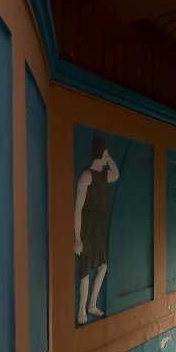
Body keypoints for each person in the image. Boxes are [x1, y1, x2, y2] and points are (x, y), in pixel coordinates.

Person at [74, 136, 119, 324]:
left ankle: (92, 304)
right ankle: (81, 310)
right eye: (105, 153)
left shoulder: (104, 175)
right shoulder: (87, 176)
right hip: (87, 225)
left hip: (99, 225)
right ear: (100, 153)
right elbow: (78, 209)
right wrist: (77, 238)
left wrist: (109, 158)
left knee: (103, 266)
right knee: (85, 269)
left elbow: (116, 174)